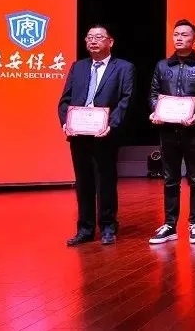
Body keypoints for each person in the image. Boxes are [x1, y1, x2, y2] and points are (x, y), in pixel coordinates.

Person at [58, 24, 136, 246]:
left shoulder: (124, 68)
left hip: (105, 134)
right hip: (79, 134)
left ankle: (108, 227)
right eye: (89, 37)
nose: (93, 41)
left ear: (110, 42)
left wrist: (112, 124)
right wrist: (66, 122)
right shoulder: (78, 67)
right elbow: (65, 100)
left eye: (99, 37)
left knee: (105, 181)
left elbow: (126, 100)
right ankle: (85, 229)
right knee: (83, 183)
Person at [146, 19, 195, 244]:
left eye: (185, 35)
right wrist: (156, 111)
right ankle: (170, 225)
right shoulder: (162, 66)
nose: (179, 38)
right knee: (170, 179)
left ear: (194, 39)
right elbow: (153, 93)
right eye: (176, 34)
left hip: (193, 132)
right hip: (168, 131)